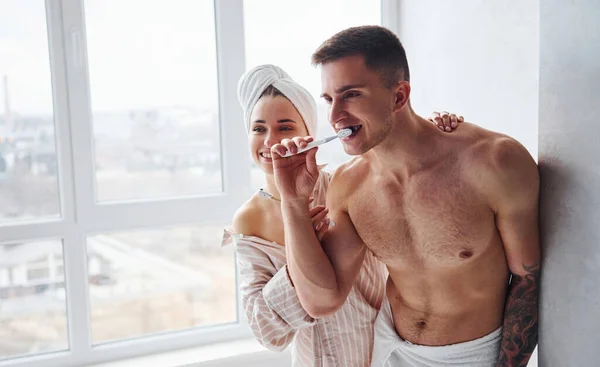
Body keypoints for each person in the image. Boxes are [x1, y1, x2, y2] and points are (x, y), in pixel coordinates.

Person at [270, 26, 539, 367]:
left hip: (473, 356)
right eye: (328, 99)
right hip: (391, 350)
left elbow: (528, 279)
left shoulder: (495, 162)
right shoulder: (350, 184)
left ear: (398, 96)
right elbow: (322, 301)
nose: (335, 116)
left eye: (351, 95)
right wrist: (292, 202)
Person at [222, 64, 463, 367]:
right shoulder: (248, 220)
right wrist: (304, 244)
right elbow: (268, 334)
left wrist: (433, 135)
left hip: (389, 354)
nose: (271, 141)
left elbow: (406, 174)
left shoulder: (347, 186)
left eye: (285, 127)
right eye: (259, 128)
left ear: (309, 135)